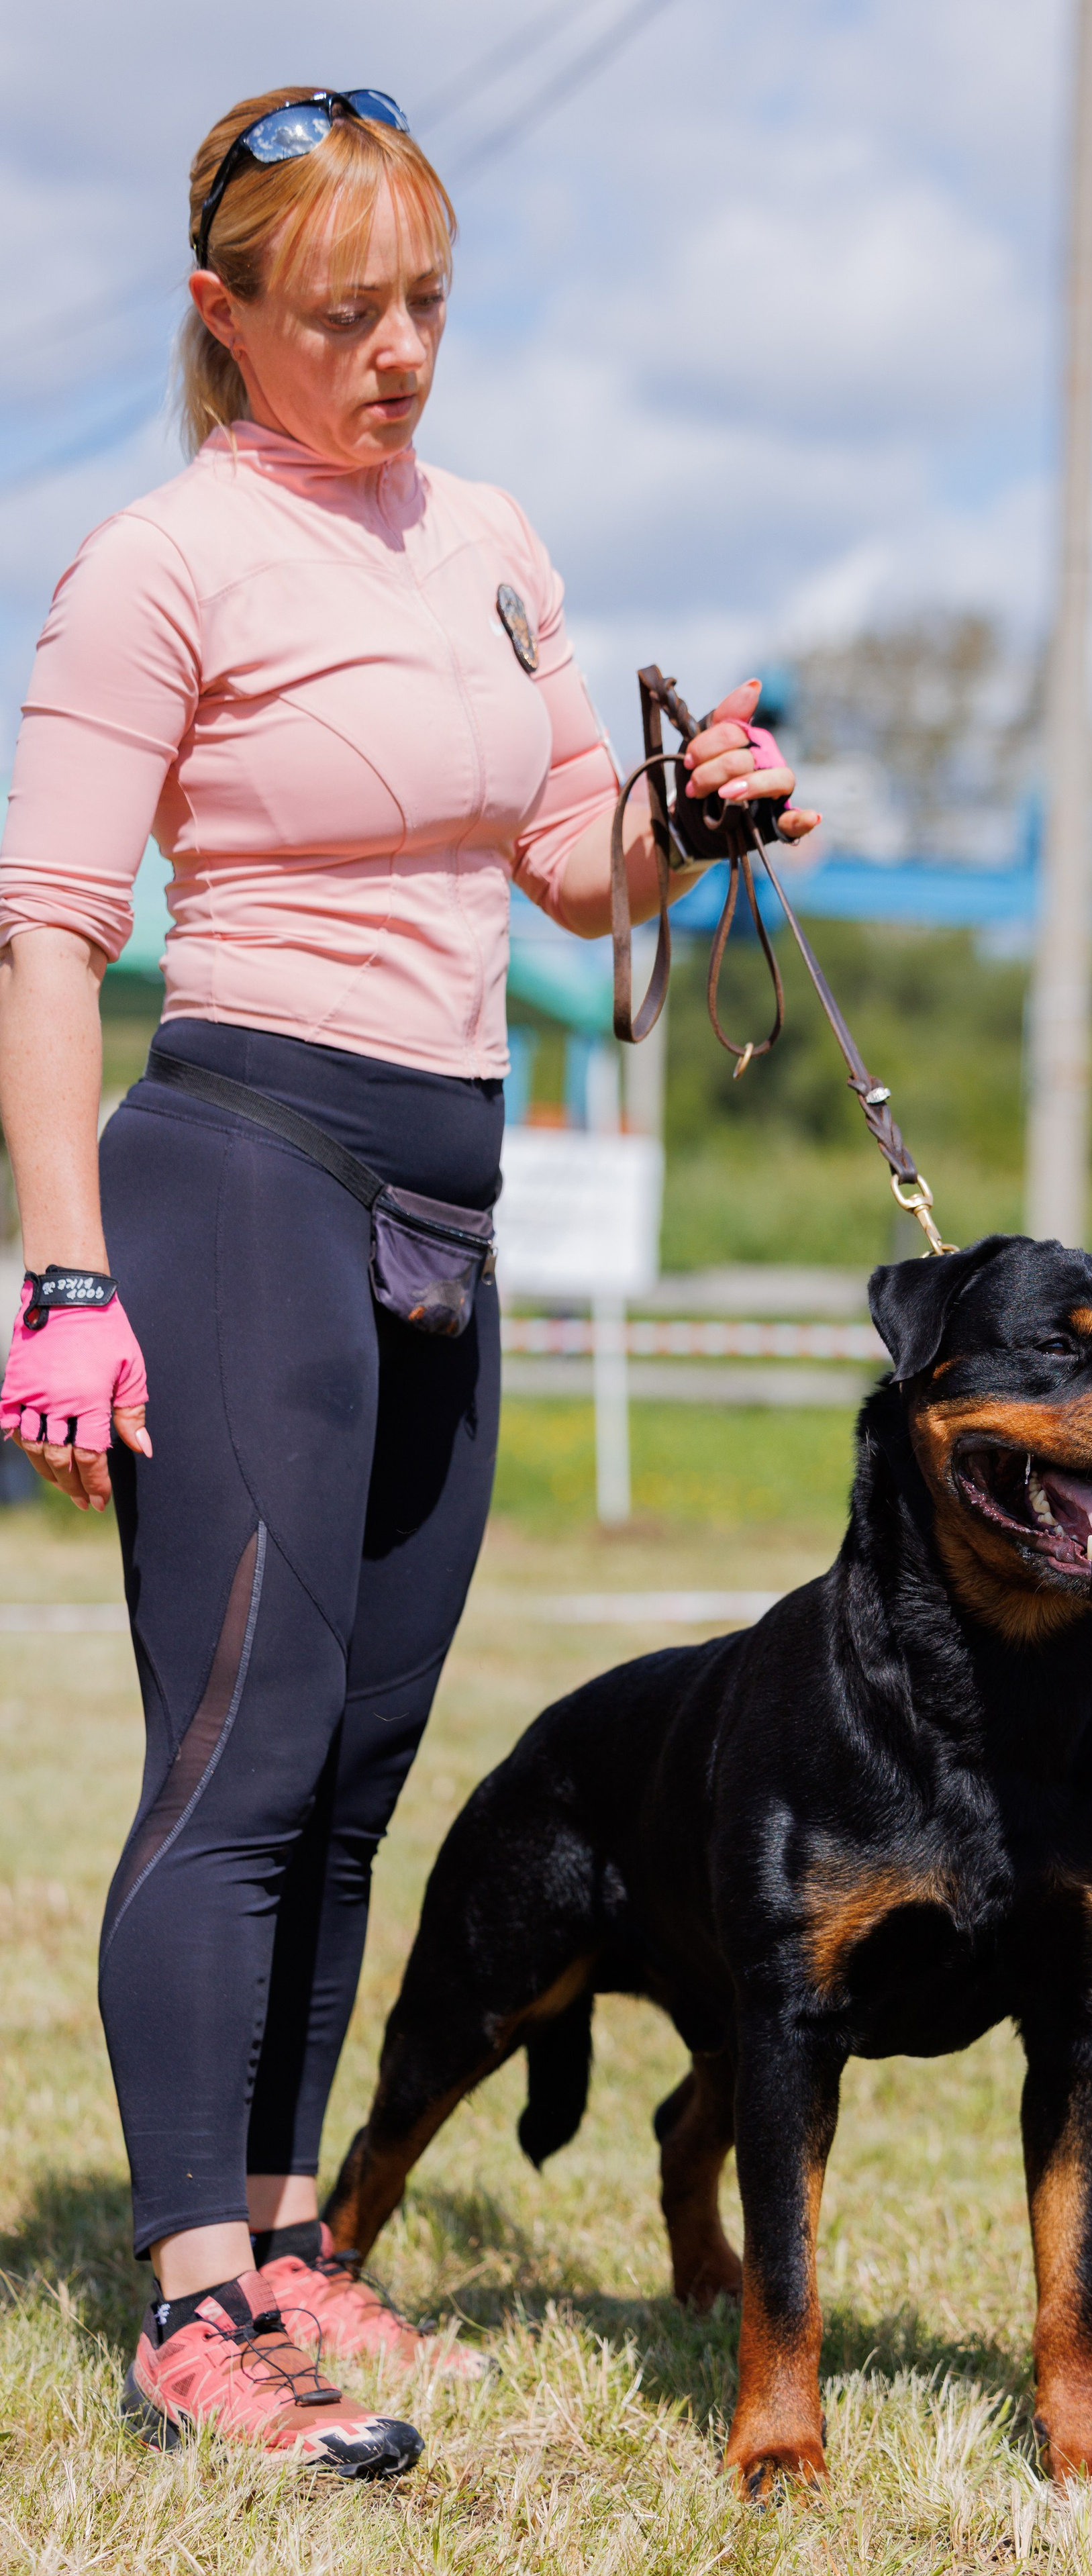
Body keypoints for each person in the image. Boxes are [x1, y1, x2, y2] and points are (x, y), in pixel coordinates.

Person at [0, 88, 819, 2476]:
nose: (397, 357)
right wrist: (62, 1275)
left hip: (446, 1195)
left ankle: (289, 2252)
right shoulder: (160, 563)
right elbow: (48, 930)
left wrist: (690, 811)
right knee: (239, 1764)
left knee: (358, 1779)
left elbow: (572, 858)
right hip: (236, 1158)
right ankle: (184, 2315)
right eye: (343, 314)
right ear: (223, 315)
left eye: (429, 307)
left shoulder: (489, 540)